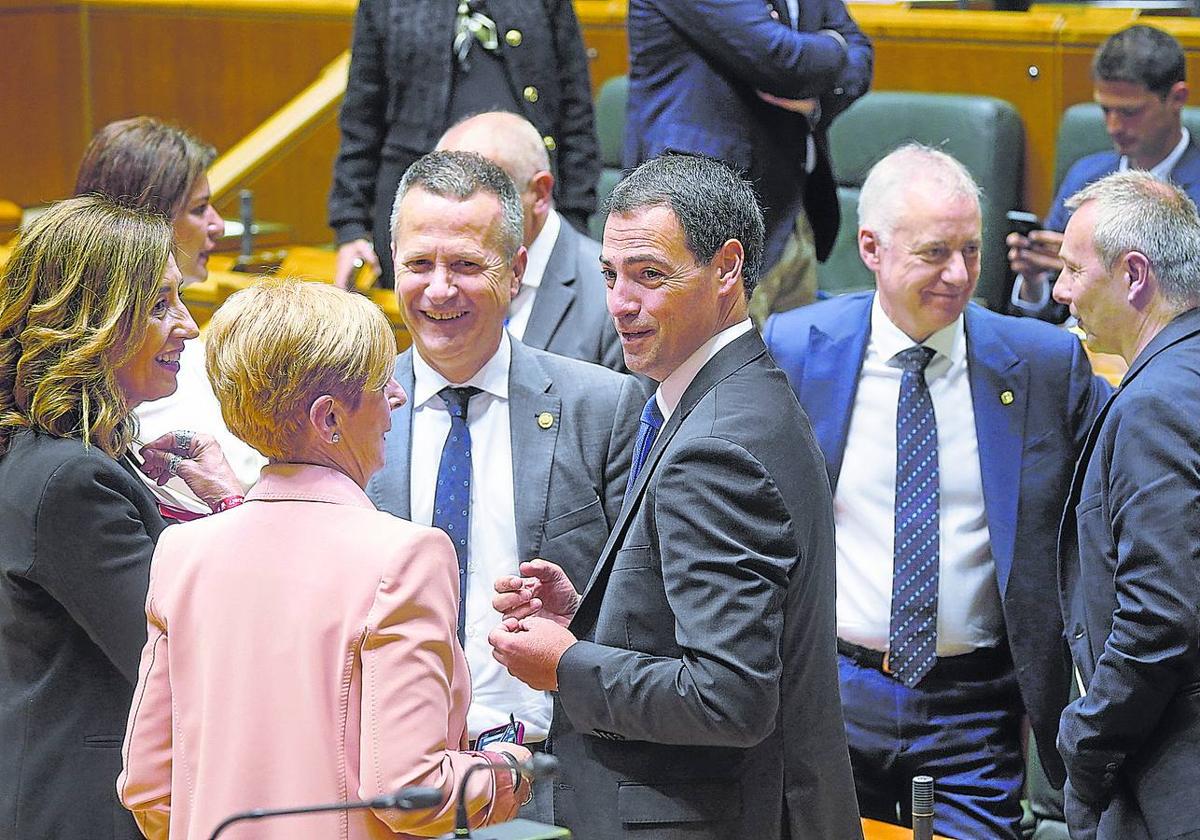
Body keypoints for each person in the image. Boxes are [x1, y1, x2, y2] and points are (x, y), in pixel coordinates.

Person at [489, 153, 861, 839]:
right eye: (611, 275)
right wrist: (593, 617)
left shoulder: (716, 443)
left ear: (726, 269)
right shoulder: (737, 396)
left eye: (650, 275)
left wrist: (565, 664)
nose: (620, 303)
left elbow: (730, 697)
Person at [762, 144, 1111, 839]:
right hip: (831, 693)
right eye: (933, 253)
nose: (958, 275)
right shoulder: (798, 347)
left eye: (970, 252)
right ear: (871, 246)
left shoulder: (1043, 364)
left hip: (974, 708)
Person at [118, 278, 530, 839]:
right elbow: (410, 793)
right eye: (379, 381)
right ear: (329, 419)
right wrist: (507, 771)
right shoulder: (406, 557)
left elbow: (147, 785)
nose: (398, 397)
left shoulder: (183, 552)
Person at [366, 150, 640, 823]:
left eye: (465, 265)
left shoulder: (603, 409)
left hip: (555, 779)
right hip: (390, 781)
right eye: (419, 264)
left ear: (516, 272)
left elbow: (641, 617)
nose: (438, 290)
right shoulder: (351, 414)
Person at [0, 195, 244, 840]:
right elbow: (183, 656)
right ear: (93, 322)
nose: (188, 327)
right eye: (160, 305)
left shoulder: (71, 459)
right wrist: (233, 509)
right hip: (86, 813)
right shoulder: (73, 481)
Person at [1053, 171, 1200, 840]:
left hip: (1169, 784)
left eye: (1072, 269)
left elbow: (1160, 616)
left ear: (1133, 275)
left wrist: (1084, 743)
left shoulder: (1154, 407)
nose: (1060, 291)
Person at [329, 0, 600, 290]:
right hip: (414, 218)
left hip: (527, 213)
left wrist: (574, 217)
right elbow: (361, 121)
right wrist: (351, 228)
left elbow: (575, 113)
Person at [623, 0, 872, 292]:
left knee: (791, 337)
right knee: (714, 338)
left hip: (793, 209)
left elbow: (862, 54)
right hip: (705, 212)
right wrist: (834, 43)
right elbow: (783, 60)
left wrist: (814, 103)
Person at [75, 116, 265, 497]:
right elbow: (239, 486)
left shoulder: (187, 345)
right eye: (199, 209)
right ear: (145, 220)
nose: (217, 226)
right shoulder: (130, 371)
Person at [1008, 24, 1199, 322]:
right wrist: (1035, 279)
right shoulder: (1085, 175)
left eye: (1129, 112)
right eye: (1105, 110)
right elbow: (1047, 314)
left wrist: (1090, 269)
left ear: (1177, 98)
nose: (1113, 127)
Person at [436, 111, 625, 373]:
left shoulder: (614, 296)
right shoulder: (436, 285)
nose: (458, 214)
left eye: (480, 192)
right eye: (445, 191)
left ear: (539, 193)